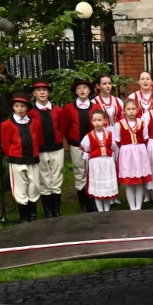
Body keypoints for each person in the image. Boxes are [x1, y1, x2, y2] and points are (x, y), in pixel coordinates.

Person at [0, 92, 42, 223]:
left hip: (33, 159)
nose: (20, 109)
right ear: (13, 107)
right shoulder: (6, 124)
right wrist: (13, 155)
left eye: (22, 106)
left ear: (27, 107)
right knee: (20, 188)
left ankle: (32, 215)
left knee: (34, 186)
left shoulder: (35, 123)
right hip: (17, 161)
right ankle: (24, 217)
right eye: (17, 106)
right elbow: (5, 144)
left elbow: (38, 139)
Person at [30, 79, 68, 219]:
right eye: (39, 90)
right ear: (34, 93)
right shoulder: (31, 112)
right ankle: (48, 211)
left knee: (56, 177)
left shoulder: (58, 110)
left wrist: (60, 140)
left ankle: (56, 210)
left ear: (48, 92)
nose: (42, 92)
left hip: (56, 148)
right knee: (44, 179)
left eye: (44, 90)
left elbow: (62, 127)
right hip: (40, 150)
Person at [62, 78, 97, 212]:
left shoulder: (95, 108)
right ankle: (83, 204)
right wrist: (71, 141)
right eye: (79, 88)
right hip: (76, 146)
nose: (82, 90)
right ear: (75, 91)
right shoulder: (69, 108)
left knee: (91, 173)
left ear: (89, 91)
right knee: (80, 173)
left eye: (85, 88)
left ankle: (92, 202)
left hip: (92, 147)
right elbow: (66, 126)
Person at [115, 98, 151, 210]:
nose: (131, 111)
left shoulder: (141, 123)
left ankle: (138, 206)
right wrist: (127, 149)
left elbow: (145, 138)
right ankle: (132, 207)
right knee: (129, 182)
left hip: (140, 152)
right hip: (126, 153)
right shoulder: (119, 124)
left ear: (137, 110)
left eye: (133, 109)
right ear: (124, 111)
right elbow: (118, 140)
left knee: (139, 181)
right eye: (128, 109)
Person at [81, 110, 118, 211]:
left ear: (104, 121)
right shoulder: (88, 136)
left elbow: (114, 147)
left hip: (107, 163)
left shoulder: (110, 135)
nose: (97, 122)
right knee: (98, 187)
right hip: (96, 164)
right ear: (92, 122)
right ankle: (100, 211)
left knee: (106, 187)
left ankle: (106, 210)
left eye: (99, 120)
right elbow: (86, 148)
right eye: (95, 120)